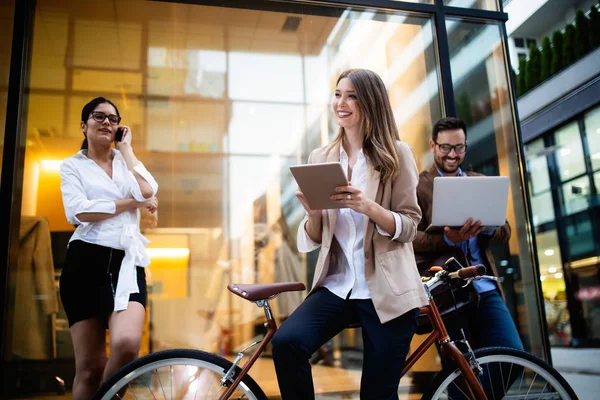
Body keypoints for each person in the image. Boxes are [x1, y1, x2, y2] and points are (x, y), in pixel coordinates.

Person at [271, 69, 428, 399]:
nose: (341, 103)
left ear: (370, 102)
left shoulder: (396, 154)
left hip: (386, 289)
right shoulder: (321, 157)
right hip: (338, 286)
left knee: (376, 394)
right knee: (286, 343)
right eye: (338, 94)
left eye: (352, 96)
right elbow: (315, 238)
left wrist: (367, 206)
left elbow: (411, 226)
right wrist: (314, 215)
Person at [412, 117, 523, 390]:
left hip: (484, 289)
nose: (452, 154)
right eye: (445, 147)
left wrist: (485, 227)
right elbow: (410, 239)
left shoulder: (478, 182)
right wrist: (448, 240)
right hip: (448, 295)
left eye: (459, 147)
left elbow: (505, 231)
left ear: (465, 146)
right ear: (433, 145)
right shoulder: (419, 186)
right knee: (459, 375)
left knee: (512, 359)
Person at [59, 97, 159, 399]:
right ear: (83, 124)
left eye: (113, 119)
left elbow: (147, 190)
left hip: (127, 262)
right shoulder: (72, 166)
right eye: (98, 116)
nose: (106, 122)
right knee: (89, 368)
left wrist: (126, 149)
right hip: (85, 261)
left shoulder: (125, 163)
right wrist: (131, 204)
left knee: (127, 345)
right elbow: (78, 211)